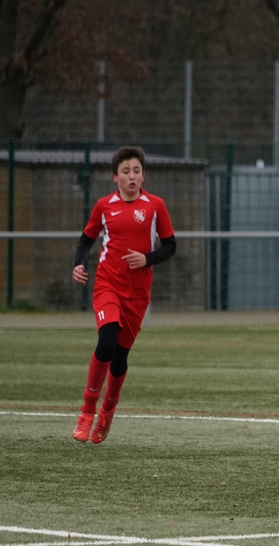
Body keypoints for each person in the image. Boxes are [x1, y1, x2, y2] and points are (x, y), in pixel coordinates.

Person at [71, 145, 176, 443]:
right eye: (125, 171)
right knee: (105, 343)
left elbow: (170, 246)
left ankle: (107, 411)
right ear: (114, 177)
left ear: (143, 176)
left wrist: (147, 258)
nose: (132, 176)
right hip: (108, 284)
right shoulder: (104, 206)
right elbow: (86, 240)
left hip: (138, 293)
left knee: (119, 359)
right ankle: (87, 411)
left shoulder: (155, 206)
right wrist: (78, 264)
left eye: (136, 171)